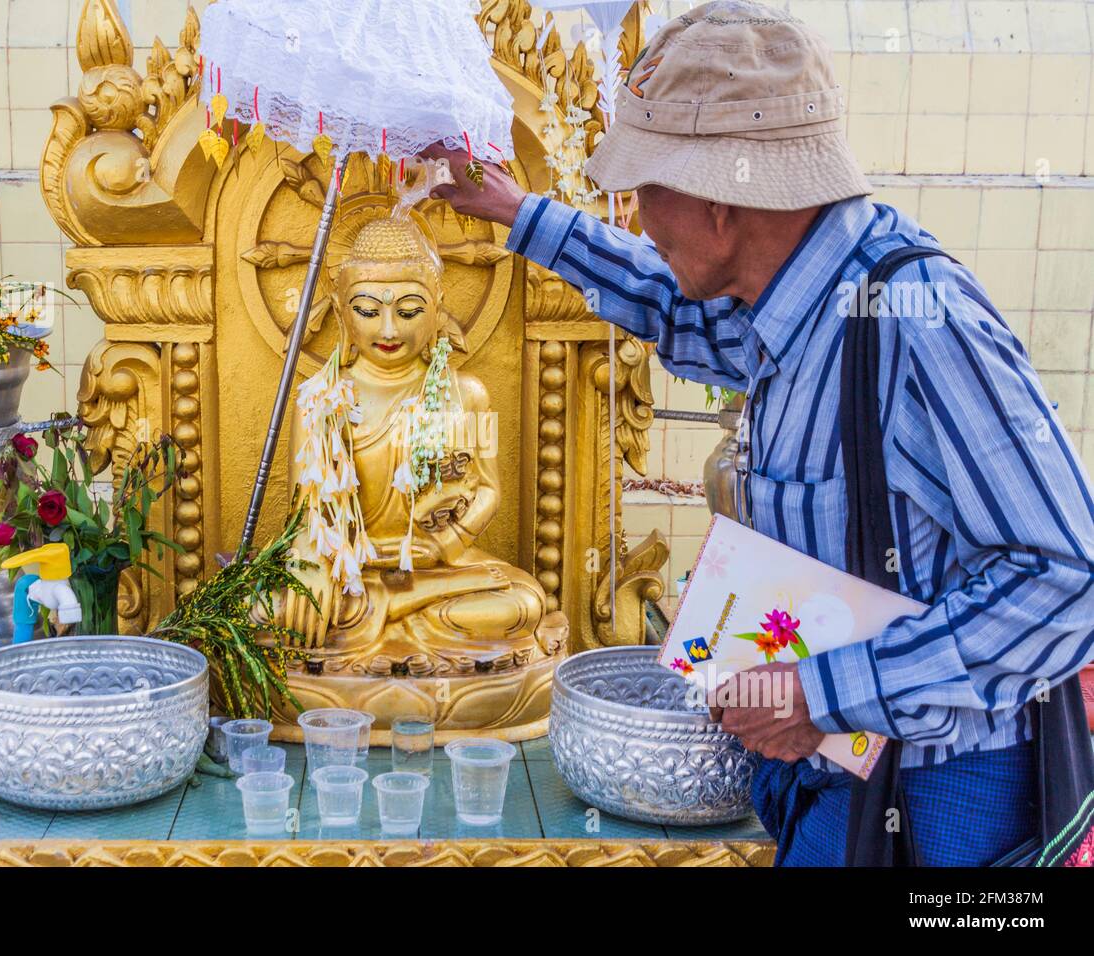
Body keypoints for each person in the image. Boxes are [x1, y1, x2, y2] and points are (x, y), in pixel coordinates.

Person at [424, 0, 1094, 866]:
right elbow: (673, 307)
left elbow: (1067, 576)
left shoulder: (918, 324)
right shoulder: (791, 304)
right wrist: (518, 214)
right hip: (833, 763)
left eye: (645, 187)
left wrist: (823, 692)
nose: (636, 214)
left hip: (934, 793)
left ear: (721, 200)